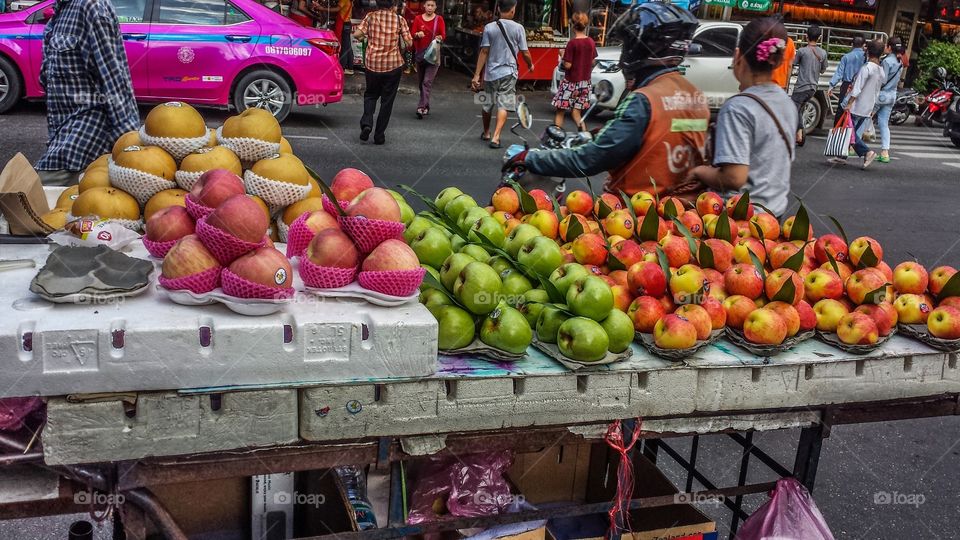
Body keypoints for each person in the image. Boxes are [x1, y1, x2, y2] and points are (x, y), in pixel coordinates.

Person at [515, 2, 709, 199]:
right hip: (686, 213)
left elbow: (592, 159)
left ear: (640, 48)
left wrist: (530, 158)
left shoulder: (644, 100)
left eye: (628, 45)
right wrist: (594, 135)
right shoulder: (697, 97)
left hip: (634, 215)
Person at [684, 17, 797, 217]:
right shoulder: (787, 103)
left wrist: (698, 172)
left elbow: (734, 177)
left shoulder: (737, 108)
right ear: (778, 61)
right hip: (773, 216)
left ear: (737, 56)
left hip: (738, 221)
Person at [35, 0, 139, 186]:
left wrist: (129, 148)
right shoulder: (61, 10)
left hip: (84, 137)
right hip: (61, 134)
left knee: (28, 195)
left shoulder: (92, 6)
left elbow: (114, 79)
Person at [471, 0, 533, 149]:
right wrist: (530, 64)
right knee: (503, 105)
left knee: (487, 103)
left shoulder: (489, 28)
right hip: (509, 72)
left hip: (491, 73)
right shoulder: (519, 28)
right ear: (512, 11)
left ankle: (486, 132)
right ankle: (496, 137)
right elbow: (525, 52)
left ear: (498, 9)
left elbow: (484, 51)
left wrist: (476, 75)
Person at [354, 0, 412, 145]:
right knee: (387, 101)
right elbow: (409, 42)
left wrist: (365, 37)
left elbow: (357, 34)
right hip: (393, 65)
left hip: (373, 64)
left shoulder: (370, 16)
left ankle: (367, 123)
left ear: (377, 5)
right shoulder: (400, 19)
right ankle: (379, 135)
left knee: (371, 95)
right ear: (393, 5)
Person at [839, 39, 884, 169]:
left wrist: (849, 103)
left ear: (868, 51)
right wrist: (873, 108)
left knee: (849, 133)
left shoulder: (866, 68)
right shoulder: (880, 71)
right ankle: (842, 156)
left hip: (856, 106)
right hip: (868, 107)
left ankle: (867, 152)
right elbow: (876, 91)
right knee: (852, 134)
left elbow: (857, 88)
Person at [551, 12, 596, 131]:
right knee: (576, 113)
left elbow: (568, 65)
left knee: (560, 111)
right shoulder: (591, 42)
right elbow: (592, 62)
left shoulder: (572, 43)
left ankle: (555, 137)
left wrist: (563, 55)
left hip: (571, 83)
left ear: (572, 25)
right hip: (585, 84)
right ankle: (584, 137)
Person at [790, 25, 827, 145]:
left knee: (794, 109)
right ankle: (799, 134)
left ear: (806, 36)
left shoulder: (802, 51)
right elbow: (823, 70)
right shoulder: (823, 53)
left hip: (801, 87)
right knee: (799, 109)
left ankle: (800, 133)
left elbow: (794, 64)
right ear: (819, 37)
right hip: (812, 88)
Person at [411, 0, 446, 118]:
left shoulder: (439, 19)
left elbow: (443, 35)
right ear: (424, 6)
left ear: (435, 7)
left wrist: (440, 37)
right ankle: (426, 105)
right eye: (428, 5)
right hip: (420, 55)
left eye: (432, 5)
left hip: (433, 56)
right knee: (421, 83)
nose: (430, 8)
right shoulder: (417, 19)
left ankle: (421, 107)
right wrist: (417, 34)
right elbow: (412, 34)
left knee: (427, 82)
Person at [874, 36, 904, 163]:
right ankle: (885, 152)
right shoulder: (899, 62)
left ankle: (854, 146)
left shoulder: (887, 61)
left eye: (886, 45)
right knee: (884, 124)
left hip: (881, 95)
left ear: (890, 47)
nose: (885, 47)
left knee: (864, 117)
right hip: (892, 95)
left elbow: (883, 79)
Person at [828, 36, 865, 116]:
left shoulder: (846, 57)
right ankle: (851, 127)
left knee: (841, 109)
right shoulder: (866, 58)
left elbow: (839, 73)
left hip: (846, 85)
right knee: (856, 110)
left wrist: (831, 85)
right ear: (863, 45)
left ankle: (838, 128)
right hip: (861, 85)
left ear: (852, 44)